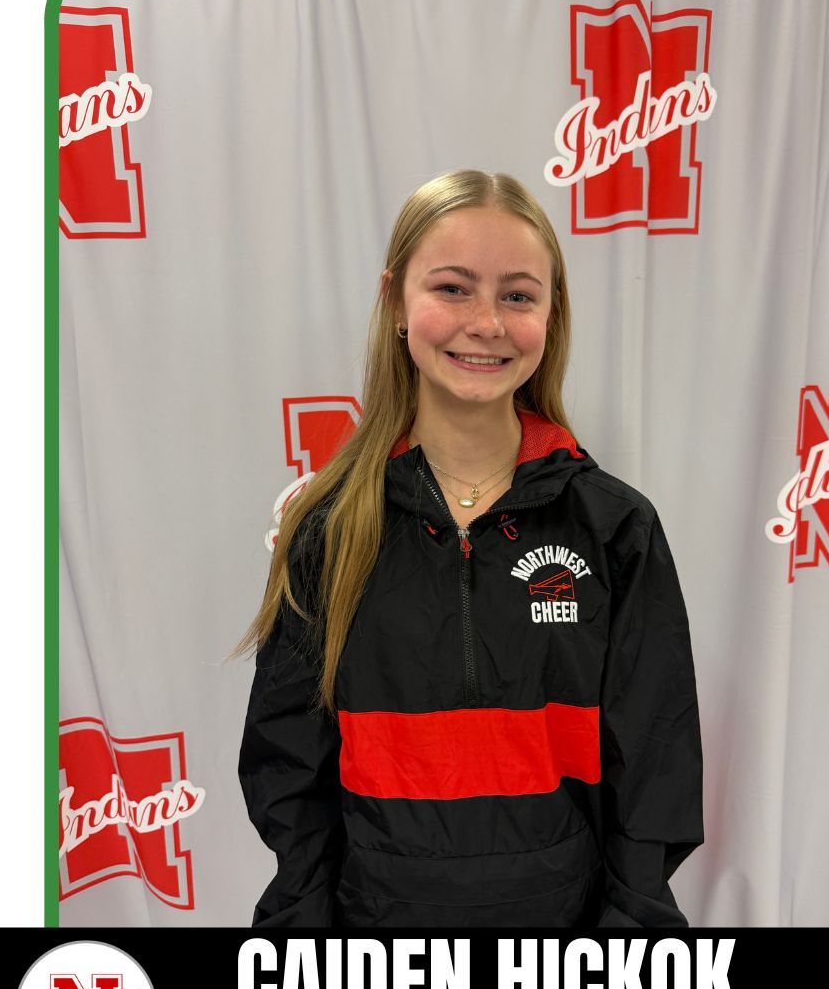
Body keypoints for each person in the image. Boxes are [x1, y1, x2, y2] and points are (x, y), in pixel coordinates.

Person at [237, 169, 702, 927]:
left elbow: (656, 771)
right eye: (452, 287)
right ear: (395, 302)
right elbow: (288, 771)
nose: (485, 322)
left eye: (518, 295)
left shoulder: (615, 529)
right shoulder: (329, 528)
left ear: (551, 315)